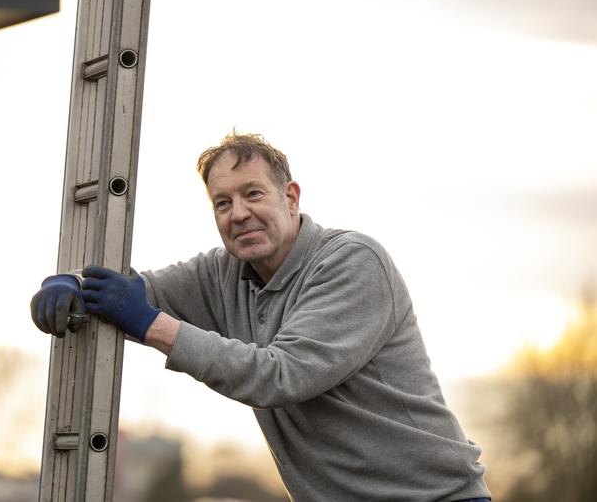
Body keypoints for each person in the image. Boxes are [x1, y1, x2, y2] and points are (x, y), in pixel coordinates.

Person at [30, 132, 491, 502]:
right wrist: (72, 283)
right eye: (222, 203)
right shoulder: (223, 272)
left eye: (253, 194)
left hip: (435, 497)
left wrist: (151, 325)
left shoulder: (353, 263)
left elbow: (281, 375)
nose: (239, 214)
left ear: (290, 197)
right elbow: (134, 291)